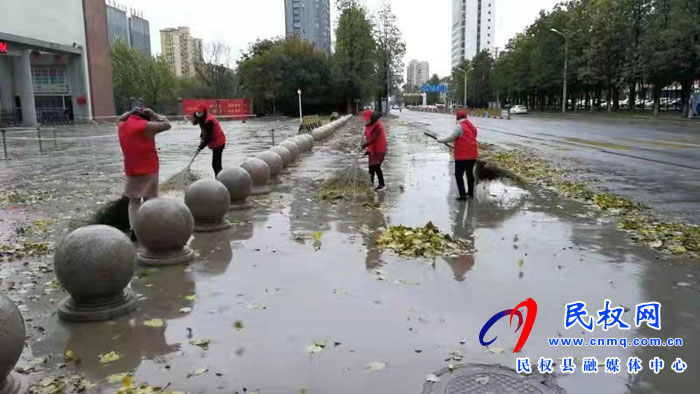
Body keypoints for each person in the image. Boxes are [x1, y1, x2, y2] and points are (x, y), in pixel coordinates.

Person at [117, 107, 171, 238]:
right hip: (149, 168)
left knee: (134, 202)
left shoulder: (122, 126)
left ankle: (134, 230)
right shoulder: (147, 126)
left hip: (131, 169)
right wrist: (154, 113)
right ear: (146, 117)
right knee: (150, 200)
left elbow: (120, 118)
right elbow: (167, 124)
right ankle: (149, 228)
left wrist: (129, 112)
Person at [437, 109, 478, 200]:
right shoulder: (471, 126)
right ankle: (470, 193)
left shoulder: (460, 127)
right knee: (469, 173)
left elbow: (451, 137)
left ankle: (463, 195)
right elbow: (473, 136)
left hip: (462, 156)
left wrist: (439, 140)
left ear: (457, 118)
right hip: (472, 154)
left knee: (458, 175)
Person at [192, 104, 226, 176]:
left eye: (200, 112)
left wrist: (200, 147)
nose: (198, 114)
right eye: (197, 112)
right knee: (215, 164)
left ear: (204, 112)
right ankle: (219, 177)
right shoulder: (202, 118)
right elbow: (204, 130)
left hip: (219, 142)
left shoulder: (209, 121)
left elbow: (208, 138)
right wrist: (201, 136)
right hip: (214, 142)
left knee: (216, 164)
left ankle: (220, 179)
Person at [360, 109, 387, 191]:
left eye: (367, 119)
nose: (366, 121)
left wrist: (364, 145)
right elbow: (367, 137)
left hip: (379, 149)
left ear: (372, 118)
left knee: (376, 166)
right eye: (365, 120)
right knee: (371, 167)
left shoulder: (377, 126)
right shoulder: (368, 125)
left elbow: (372, 139)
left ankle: (382, 184)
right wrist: (366, 147)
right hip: (372, 150)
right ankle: (370, 183)